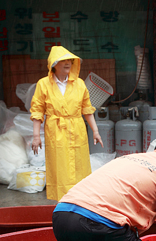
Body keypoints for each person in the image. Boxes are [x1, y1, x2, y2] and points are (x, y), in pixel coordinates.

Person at [30, 46, 103, 201]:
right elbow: (37, 111)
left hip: (77, 129)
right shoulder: (43, 84)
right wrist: (36, 136)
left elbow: (87, 109)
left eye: (70, 60)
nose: (67, 63)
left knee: (79, 165)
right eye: (63, 60)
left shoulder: (80, 84)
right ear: (54, 64)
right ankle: (62, 203)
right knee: (60, 166)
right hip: (55, 130)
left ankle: (80, 201)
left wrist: (95, 131)